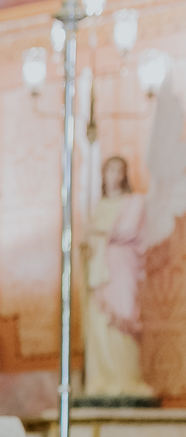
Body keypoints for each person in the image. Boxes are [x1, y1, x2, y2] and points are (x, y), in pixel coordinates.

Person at [83, 154, 154, 399]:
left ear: (125, 175)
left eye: (118, 170)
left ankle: (125, 380)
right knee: (99, 322)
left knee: (121, 319)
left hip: (121, 268)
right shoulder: (100, 205)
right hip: (97, 271)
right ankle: (101, 380)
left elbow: (129, 231)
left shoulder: (134, 202)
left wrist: (98, 233)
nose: (113, 176)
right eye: (108, 170)